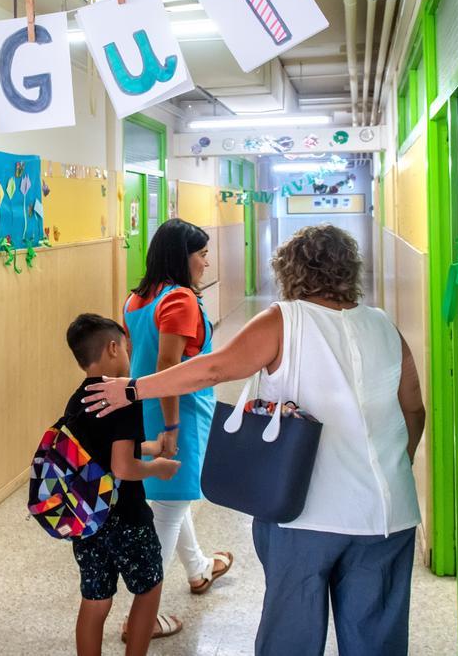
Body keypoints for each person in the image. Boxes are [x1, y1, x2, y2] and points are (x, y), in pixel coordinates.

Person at [84, 224, 427, 656]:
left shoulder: (287, 319)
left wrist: (132, 388)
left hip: (305, 516)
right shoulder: (383, 326)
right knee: (376, 640)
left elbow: (215, 369)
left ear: (290, 271)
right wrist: (395, 466)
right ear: (349, 269)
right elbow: (414, 411)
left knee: (291, 636)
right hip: (388, 517)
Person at [123, 219, 233, 640]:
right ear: (180, 256)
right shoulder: (180, 300)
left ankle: (200, 568)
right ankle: (142, 618)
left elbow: (140, 357)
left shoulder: (138, 297)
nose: (206, 262)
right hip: (176, 411)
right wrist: (170, 427)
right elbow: (167, 368)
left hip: (147, 406)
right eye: (201, 254)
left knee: (174, 497)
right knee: (167, 511)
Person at [62, 314, 183, 656]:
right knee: (148, 590)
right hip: (126, 517)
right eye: (127, 349)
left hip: (87, 519)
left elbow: (104, 449)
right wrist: (157, 467)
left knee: (95, 601)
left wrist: (150, 447)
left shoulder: (77, 401)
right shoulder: (123, 397)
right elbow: (123, 466)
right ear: (113, 348)